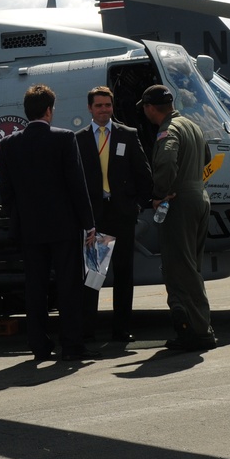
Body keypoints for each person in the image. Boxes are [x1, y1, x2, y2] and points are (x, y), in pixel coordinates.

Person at [0, 83, 97, 362]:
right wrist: (88, 222)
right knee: (69, 287)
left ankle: (39, 346)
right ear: (49, 111)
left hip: (30, 228)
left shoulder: (9, 144)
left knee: (35, 288)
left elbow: (6, 190)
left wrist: (18, 218)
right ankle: (72, 346)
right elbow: (76, 185)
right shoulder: (64, 138)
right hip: (63, 226)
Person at [137, 84, 217, 351]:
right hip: (199, 196)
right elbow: (207, 157)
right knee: (191, 265)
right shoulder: (191, 125)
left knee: (179, 266)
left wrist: (159, 193)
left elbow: (167, 160)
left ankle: (195, 331)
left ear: (150, 108)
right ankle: (199, 325)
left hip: (179, 201)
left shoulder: (168, 130)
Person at [76, 86, 153, 343]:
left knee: (123, 273)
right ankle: (87, 331)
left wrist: (139, 205)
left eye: (107, 105)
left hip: (122, 215)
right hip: (96, 218)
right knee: (94, 275)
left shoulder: (127, 135)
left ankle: (121, 330)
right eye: (98, 106)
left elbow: (143, 173)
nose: (103, 110)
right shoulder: (79, 139)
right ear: (90, 108)